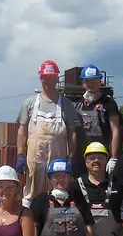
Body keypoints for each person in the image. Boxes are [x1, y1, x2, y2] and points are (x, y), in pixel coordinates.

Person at [15, 60, 81, 207]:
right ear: (40, 78)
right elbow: (22, 131)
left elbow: (72, 133)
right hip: (35, 156)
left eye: (52, 77)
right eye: (45, 76)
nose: (48, 80)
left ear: (57, 78)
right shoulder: (30, 103)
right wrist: (20, 155)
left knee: (57, 191)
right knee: (31, 193)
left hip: (58, 157)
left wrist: (72, 157)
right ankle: (30, 223)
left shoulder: (66, 105)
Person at [74, 64, 122, 176]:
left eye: (95, 80)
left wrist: (114, 157)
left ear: (100, 81)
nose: (91, 84)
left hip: (102, 155)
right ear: (83, 83)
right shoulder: (78, 105)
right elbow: (73, 132)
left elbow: (115, 131)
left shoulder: (108, 103)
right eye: (88, 81)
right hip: (83, 157)